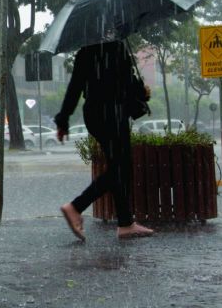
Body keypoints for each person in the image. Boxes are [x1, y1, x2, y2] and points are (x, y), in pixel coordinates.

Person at [55, 40, 154, 240]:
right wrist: (142, 92)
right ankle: (76, 206)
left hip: (93, 113)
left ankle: (126, 224)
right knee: (120, 168)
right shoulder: (117, 47)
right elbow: (126, 83)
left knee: (118, 167)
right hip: (113, 113)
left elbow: (75, 87)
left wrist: (63, 119)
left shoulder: (85, 51)